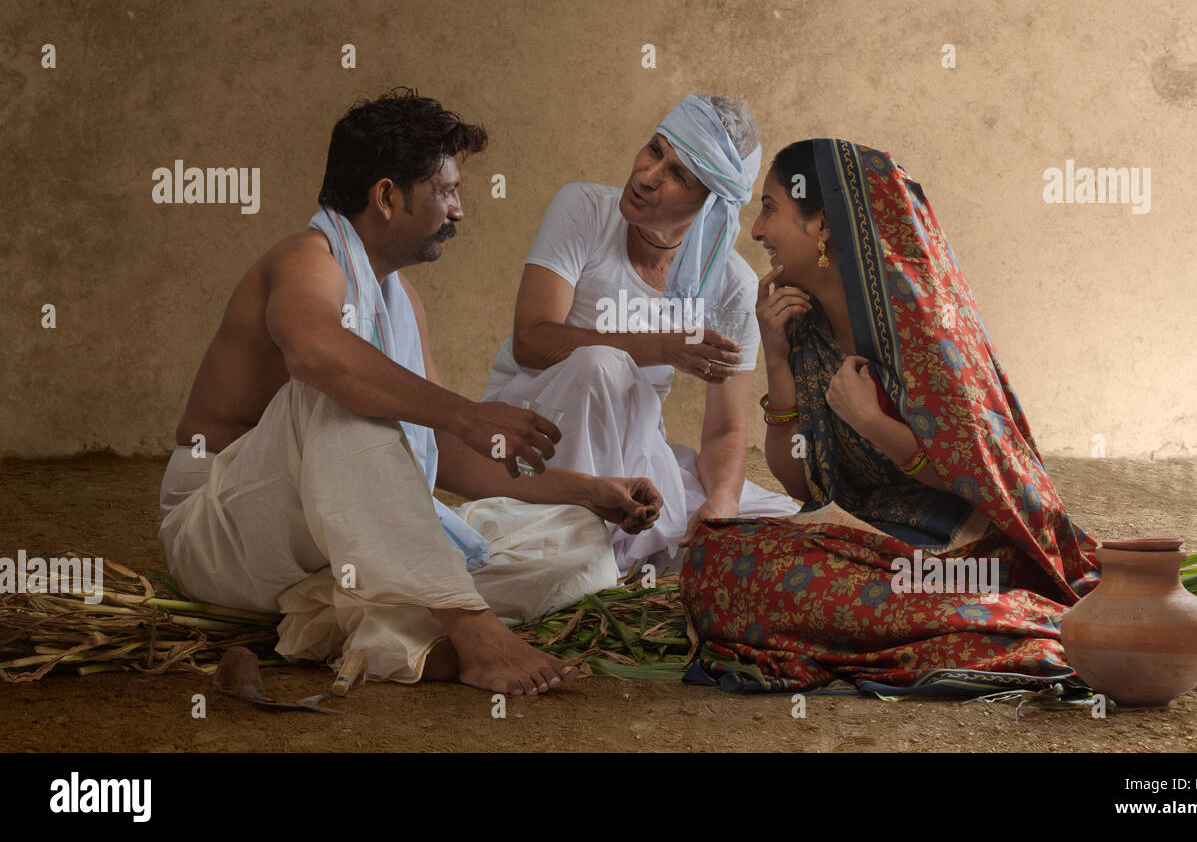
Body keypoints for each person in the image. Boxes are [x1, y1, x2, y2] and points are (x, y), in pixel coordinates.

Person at [157, 88, 663, 695]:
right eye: (447, 191)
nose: (459, 211)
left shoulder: (401, 299)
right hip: (224, 530)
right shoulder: (306, 260)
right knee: (332, 393)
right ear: (388, 197)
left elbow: (444, 448)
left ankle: (367, 621)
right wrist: (469, 414)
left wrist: (587, 491)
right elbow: (317, 356)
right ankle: (468, 629)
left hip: (327, 538)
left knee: (579, 544)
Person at [680, 139, 1101, 696]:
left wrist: (871, 421)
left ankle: (1011, 623)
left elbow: (974, 470)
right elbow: (798, 481)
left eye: (771, 208)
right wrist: (777, 358)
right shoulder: (804, 326)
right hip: (869, 539)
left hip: (961, 550)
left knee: (778, 582)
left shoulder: (925, 329)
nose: (756, 231)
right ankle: (917, 626)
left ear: (823, 225)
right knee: (716, 556)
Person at [481, 95, 800, 573]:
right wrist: (662, 348)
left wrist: (721, 504)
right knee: (601, 365)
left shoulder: (731, 285)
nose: (647, 175)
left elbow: (726, 429)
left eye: (679, 175)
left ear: (711, 203)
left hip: (631, 445)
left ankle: (619, 533)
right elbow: (531, 341)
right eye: (655, 150)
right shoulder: (584, 209)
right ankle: (585, 537)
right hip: (531, 430)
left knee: (787, 528)